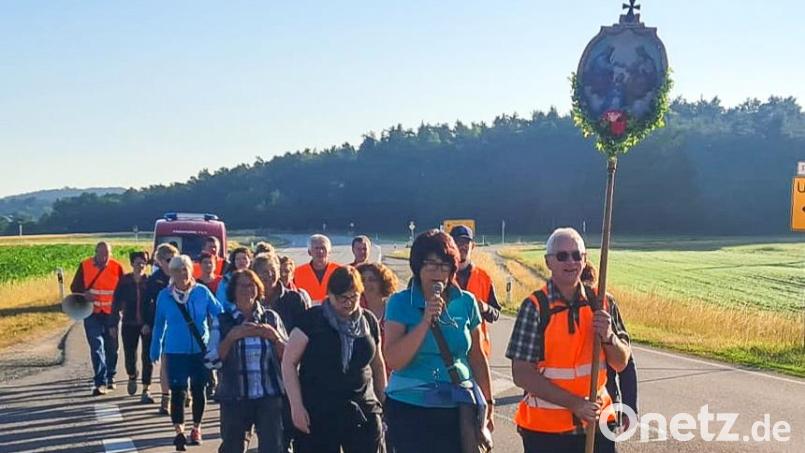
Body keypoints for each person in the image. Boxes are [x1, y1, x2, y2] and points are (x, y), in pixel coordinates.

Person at [505, 228, 631, 453]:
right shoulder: (535, 307)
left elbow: (621, 363)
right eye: (562, 256)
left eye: (576, 255)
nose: (570, 261)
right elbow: (522, 373)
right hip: (547, 434)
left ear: (584, 260)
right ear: (548, 262)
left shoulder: (602, 303)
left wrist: (609, 336)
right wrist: (576, 404)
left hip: (598, 425)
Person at [383, 230, 494, 453]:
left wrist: (488, 403)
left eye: (444, 265)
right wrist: (425, 321)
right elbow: (394, 360)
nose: (437, 271)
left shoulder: (466, 302)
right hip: (410, 407)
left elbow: (477, 356)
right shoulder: (400, 302)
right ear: (418, 267)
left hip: (457, 407)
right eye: (430, 264)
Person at [282, 266, 387, 453]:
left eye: (353, 297)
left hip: (362, 410)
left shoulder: (369, 321)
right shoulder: (311, 320)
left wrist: (383, 402)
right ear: (329, 294)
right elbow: (289, 363)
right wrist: (296, 407)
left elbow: (377, 365)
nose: (348, 303)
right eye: (342, 298)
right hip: (319, 410)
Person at [150, 255, 224, 450]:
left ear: (191, 270)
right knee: (178, 391)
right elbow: (159, 324)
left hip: (200, 350)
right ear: (171, 273)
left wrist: (219, 339)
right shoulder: (165, 296)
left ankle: (196, 428)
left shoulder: (201, 292)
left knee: (198, 389)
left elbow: (220, 313)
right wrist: (155, 346)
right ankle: (179, 432)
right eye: (177, 270)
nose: (182, 274)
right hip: (175, 350)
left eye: (185, 269)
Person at [214, 269, 288, 453]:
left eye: (252, 285)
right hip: (235, 397)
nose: (247, 290)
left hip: (269, 395)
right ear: (233, 290)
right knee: (232, 447)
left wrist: (274, 337)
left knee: (273, 447)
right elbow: (212, 361)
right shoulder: (223, 320)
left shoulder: (271, 318)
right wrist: (231, 338)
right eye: (242, 285)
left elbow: (288, 357)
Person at [581, 261, 638, 431]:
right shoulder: (550, 305)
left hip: (604, 407)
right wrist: (630, 408)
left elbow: (625, 361)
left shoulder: (604, 304)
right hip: (598, 409)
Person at [70, 241, 125, 396]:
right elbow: (75, 287)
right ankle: (99, 381)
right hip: (92, 313)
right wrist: (84, 294)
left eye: (107, 254)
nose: (104, 257)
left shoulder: (117, 267)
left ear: (111, 253)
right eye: (101, 253)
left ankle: (111, 376)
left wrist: (124, 309)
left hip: (111, 314)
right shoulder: (85, 266)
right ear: (95, 252)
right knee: (96, 345)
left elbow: (124, 289)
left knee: (112, 346)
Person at [450, 225, 501, 358]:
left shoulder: (484, 278)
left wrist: (485, 307)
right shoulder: (442, 275)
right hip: (448, 351)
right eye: (458, 242)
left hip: (477, 352)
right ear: (450, 246)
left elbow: (495, 314)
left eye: (466, 242)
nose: (463, 246)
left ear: (473, 246)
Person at [112, 250, 154, 402]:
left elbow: (153, 304)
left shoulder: (150, 282)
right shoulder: (124, 281)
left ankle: (146, 388)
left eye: (143, 263)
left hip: (146, 325)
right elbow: (116, 302)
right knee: (130, 355)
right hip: (129, 323)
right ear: (132, 264)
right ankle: (132, 374)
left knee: (148, 356)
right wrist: (113, 323)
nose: (141, 266)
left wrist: (148, 323)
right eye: (138, 263)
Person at [146, 243, 179, 415]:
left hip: (181, 327)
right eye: (167, 259)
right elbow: (147, 303)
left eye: (174, 258)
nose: (171, 262)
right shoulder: (154, 280)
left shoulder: (184, 277)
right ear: (160, 262)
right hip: (164, 327)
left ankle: (183, 391)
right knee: (165, 363)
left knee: (183, 363)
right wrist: (146, 323)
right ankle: (166, 398)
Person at [253, 253, 308, 334]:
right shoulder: (252, 299)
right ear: (256, 274)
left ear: (278, 272)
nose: (270, 274)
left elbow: (304, 330)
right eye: (265, 272)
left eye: (273, 270)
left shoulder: (294, 298)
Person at [355, 262, 398, 340]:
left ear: (383, 282)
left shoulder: (394, 307)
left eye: (372, 280)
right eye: (363, 280)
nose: (366, 284)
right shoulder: (355, 308)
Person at [294, 234, 340, 304]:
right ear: (309, 252)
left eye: (323, 248)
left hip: (333, 312)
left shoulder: (339, 271)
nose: (320, 251)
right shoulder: (297, 272)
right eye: (316, 248)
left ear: (329, 252)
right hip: (307, 312)